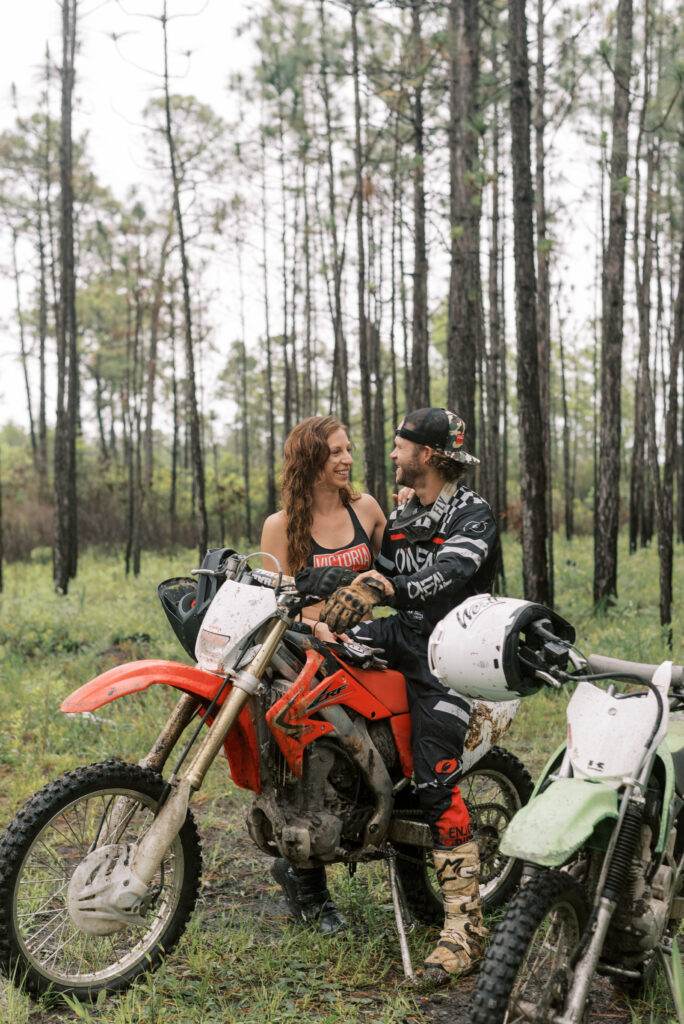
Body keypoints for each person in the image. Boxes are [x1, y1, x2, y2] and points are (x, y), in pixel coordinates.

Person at [320, 407, 500, 985]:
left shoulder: (472, 513)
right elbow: (381, 571)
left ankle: (465, 929)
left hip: (456, 650)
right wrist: (317, 589)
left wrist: (382, 586)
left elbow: (440, 578)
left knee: (435, 778)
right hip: (408, 633)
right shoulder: (402, 513)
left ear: (427, 454)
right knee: (314, 662)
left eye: (400, 447)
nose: (392, 456)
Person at [260, 415, 386, 933]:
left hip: (370, 650)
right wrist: (319, 624)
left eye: (348, 449)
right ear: (309, 459)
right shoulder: (280, 525)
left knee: (374, 753)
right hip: (309, 655)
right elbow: (278, 604)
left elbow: (391, 573)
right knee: (306, 754)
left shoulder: (368, 509)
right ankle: (308, 886)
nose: (346, 459)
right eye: (335, 451)